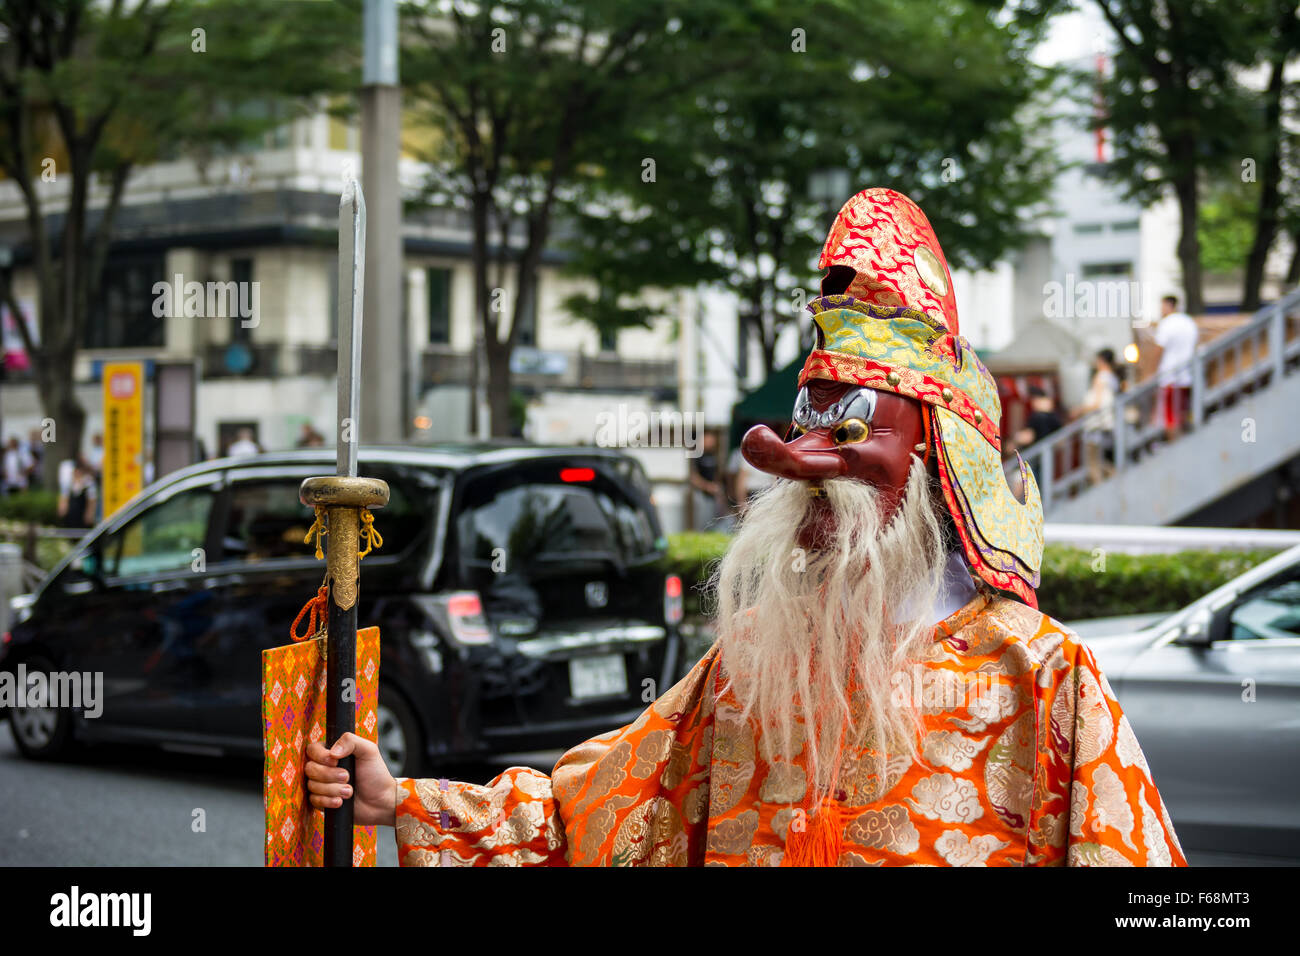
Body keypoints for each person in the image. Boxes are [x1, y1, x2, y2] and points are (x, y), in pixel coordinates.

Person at [306, 187, 1185, 867]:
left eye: (847, 433)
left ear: (937, 461)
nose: (805, 467)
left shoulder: (1042, 678)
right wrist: (404, 800)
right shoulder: (753, 659)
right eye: (804, 430)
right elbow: (598, 808)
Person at [1150, 295, 1198, 442]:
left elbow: (1158, 350)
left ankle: (1175, 449)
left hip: (1169, 378)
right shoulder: (1189, 322)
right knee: (1182, 415)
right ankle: (1185, 446)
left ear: (1168, 306)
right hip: (1187, 376)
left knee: (1170, 418)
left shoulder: (1166, 324)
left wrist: (1151, 372)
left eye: (1162, 306)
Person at [1075, 348, 1120, 484]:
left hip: (1096, 423)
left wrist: (1080, 410)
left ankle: (1101, 488)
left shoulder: (1101, 376)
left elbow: (1097, 402)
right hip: (1108, 422)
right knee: (1106, 460)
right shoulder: (1113, 378)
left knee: (1093, 462)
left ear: (1101, 360)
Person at [687, 429, 725, 529]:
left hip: (713, 494)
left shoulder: (714, 455)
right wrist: (707, 486)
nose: (711, 441)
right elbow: (693, 477)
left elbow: (717, 474)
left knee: (713, 518)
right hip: (700, 494)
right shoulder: (695, 455)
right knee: (701, 520)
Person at [57, 457, 97, 528]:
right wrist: (62, 508)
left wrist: (89, 514)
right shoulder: (69, 483)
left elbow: (92, 500)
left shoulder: (88, 482)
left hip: (82, 512)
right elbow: (64, 497)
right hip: (71, 513)